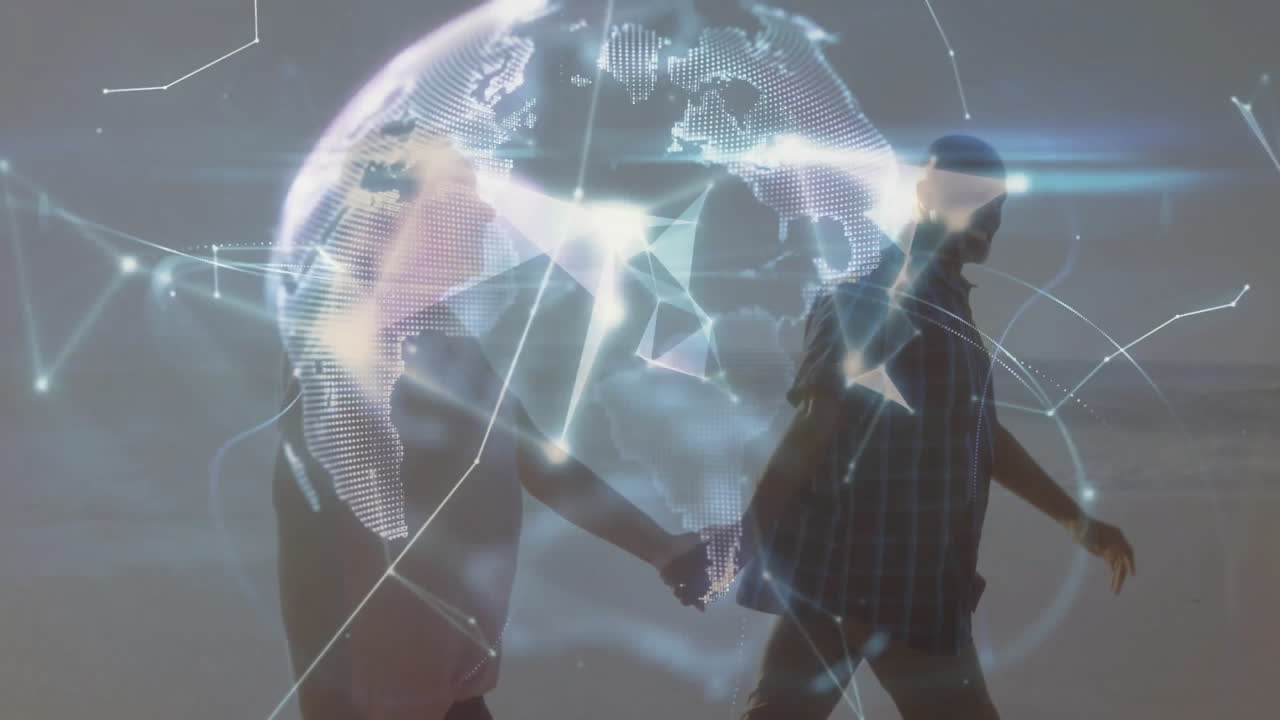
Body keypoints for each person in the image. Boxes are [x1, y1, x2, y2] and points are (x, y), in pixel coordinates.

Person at [661, 135, 1137, 720]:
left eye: (995, 203)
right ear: (924, 195)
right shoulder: (868, 294)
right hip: (873, 578)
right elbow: (816, 423)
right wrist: (745, 539)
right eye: (966, 194)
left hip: (894, 578)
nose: (985, 213)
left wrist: (1075, 519)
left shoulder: (948, 307)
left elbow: (978, 435)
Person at [273, 144, 700, 720]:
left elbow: (532, 457)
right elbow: (335, 540)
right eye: (458, 195)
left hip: (445, 685)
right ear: (390, 214)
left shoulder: (434, 330)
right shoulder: (345, 340)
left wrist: (661, 548)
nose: (484, 214)